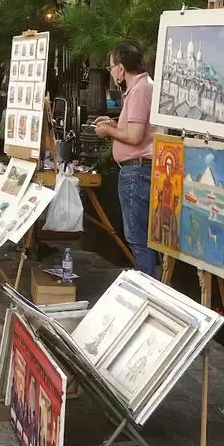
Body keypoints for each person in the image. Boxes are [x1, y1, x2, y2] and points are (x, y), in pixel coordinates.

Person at [93, 42, 159, 277]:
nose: (110, 72)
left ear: (121, 68)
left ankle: (148, 291)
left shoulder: (140, 90)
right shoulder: (141, 88)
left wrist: (108, 131)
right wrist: (113, 123)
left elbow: (134, 136)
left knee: (137, 238)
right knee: (143, 238)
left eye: (111, 67)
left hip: (137, 171)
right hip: (140, 170)